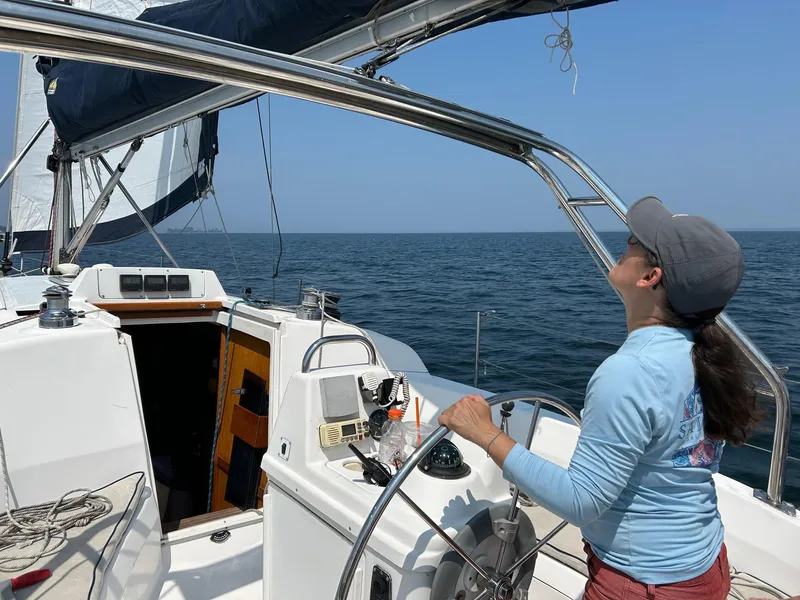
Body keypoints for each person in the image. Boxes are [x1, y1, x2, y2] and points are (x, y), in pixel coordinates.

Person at [439, 196, 764, 600]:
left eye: (634, 242)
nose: (625, 243)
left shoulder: (629, 372)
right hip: (704, 567)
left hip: (644, 586)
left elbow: (581, 502)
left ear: (651, 277)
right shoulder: (700, 352)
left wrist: (484, 432)